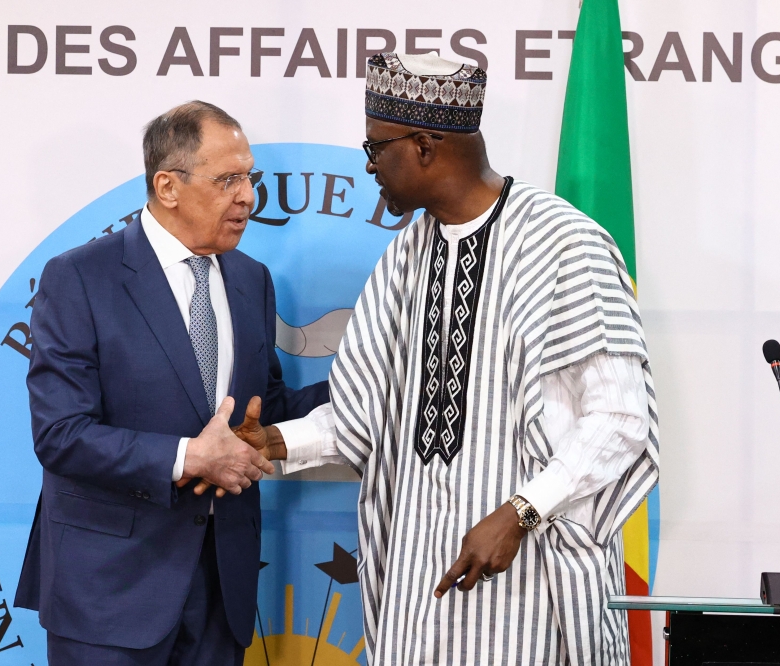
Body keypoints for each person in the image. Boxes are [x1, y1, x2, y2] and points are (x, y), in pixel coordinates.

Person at [227, 53, 660, 665]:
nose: (370, 164)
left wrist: (521, 512)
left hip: (528, 582)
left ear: (426, 145)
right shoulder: (405, 258)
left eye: (376, 147)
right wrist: (273, 440)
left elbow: (619, 419)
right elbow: (365, 417)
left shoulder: (566, 244)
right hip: (416, 584)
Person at [13, 101, 330, 666]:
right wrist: (189, 457)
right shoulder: (80, 278)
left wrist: (372, 382)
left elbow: (265, 408)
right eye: (228, 179)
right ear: (168, 186)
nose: (247, 197)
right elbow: (60, 433)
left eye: (249, 178)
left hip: (221, 587)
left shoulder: (251, 280)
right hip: (109, 593)